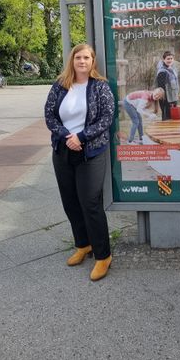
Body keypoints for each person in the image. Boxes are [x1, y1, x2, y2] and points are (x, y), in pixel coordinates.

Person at [44, 43, 115, 282]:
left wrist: (81, 137)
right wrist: (67, 136)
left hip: (91, 152)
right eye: (78, 57)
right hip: (63, 151)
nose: (82, 61)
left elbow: (107, 117)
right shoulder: (60, 86)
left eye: (86, 57)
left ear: (93, 61)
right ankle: (83, 245)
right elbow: (49, 115)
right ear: (72, 61)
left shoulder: (100, 87)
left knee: (90, 203)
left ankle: (103, 255)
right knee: (70, 202)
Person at [156, 51, 180, 120]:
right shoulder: (162, 71)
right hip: (166, 99)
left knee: (173, 117)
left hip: (172, 97)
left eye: (171, 58)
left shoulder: (171, 69)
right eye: (168, 59)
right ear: (164, 60)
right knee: (167, 117)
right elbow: (161, 88)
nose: (170, 60)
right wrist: (165, 100)